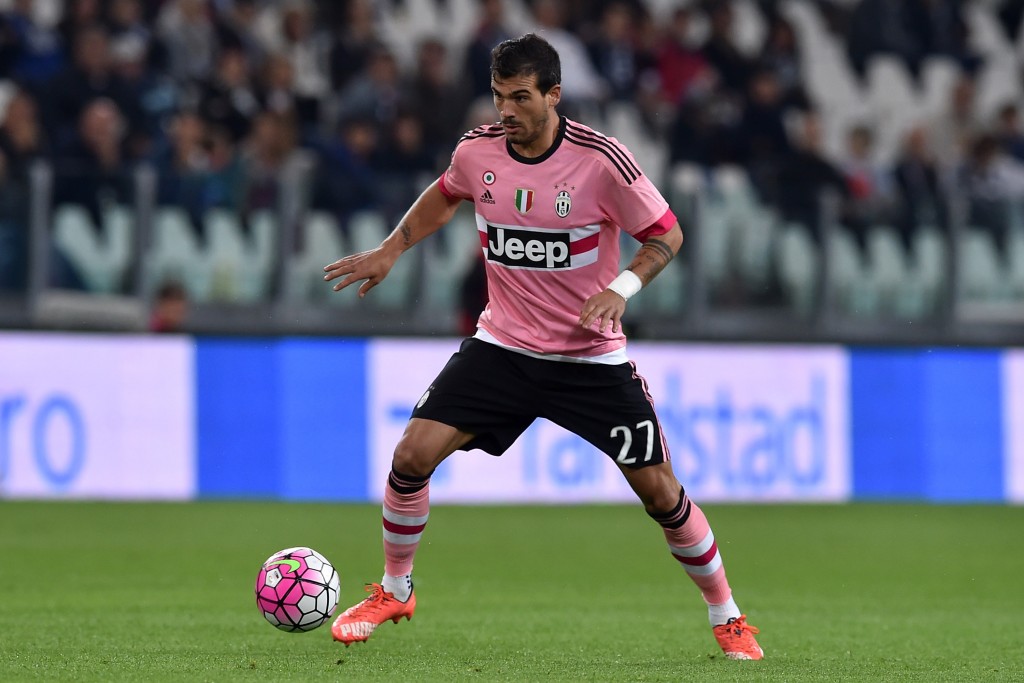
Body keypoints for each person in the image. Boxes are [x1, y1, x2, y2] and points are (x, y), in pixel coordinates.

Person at [322, 33, 763, 661]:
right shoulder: (478, 152)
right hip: (502, 346)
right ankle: (396, 589)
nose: (507, 110)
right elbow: (447, 192)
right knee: (413, 452)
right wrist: (391, 248)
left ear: (554, 95)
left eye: (521, 97)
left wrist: (623, 287)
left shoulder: (602, 160)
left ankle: (728, 617)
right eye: (500, 96)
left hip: (588, 360)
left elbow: (667, 234)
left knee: (661, 491)